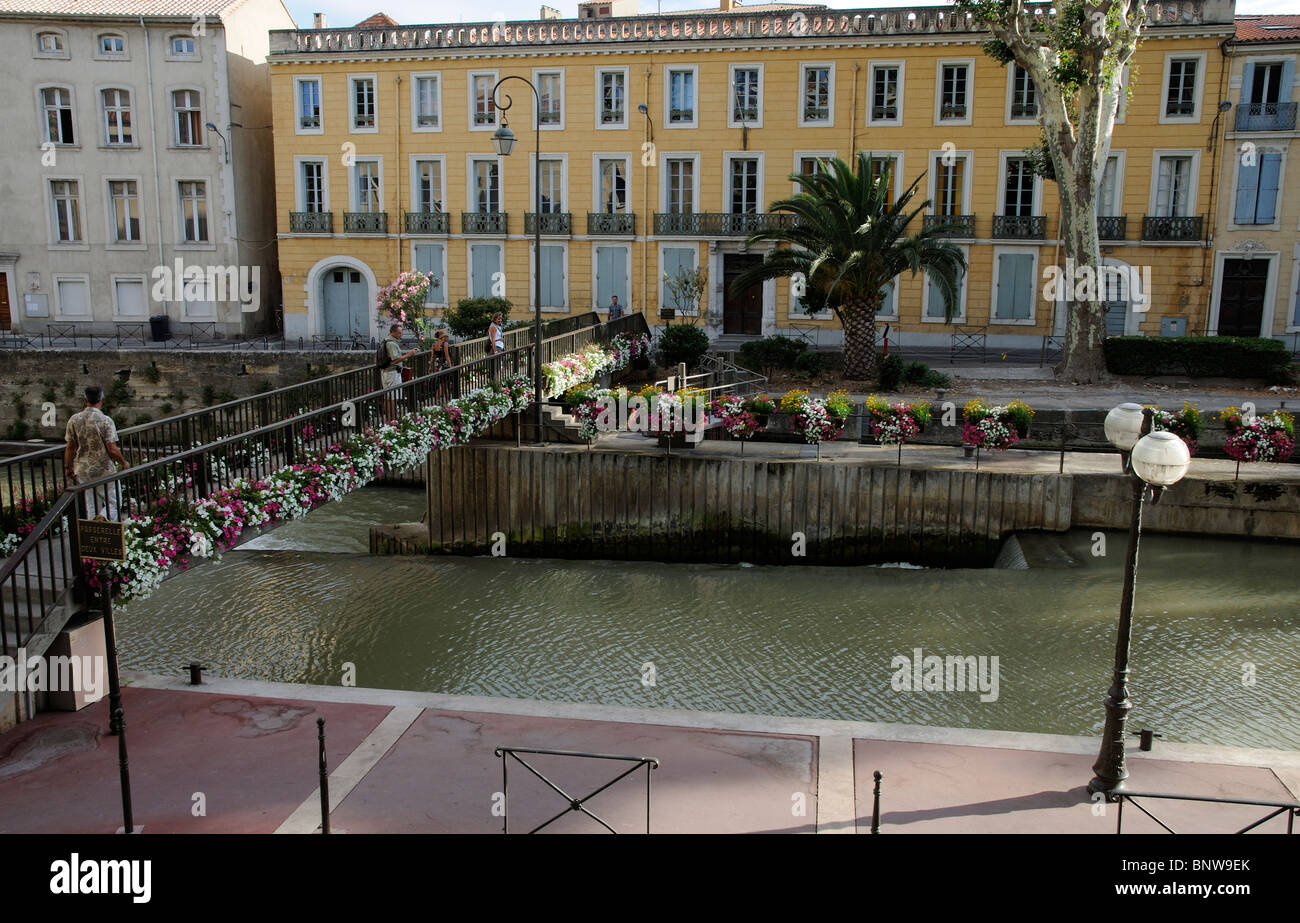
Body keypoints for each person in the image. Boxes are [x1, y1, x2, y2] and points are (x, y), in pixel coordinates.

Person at [64, 385, 129, 520]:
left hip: (83, 469)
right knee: (114, 501)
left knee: (91, 503)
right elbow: (112, 449)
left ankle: (93, 534)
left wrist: (68, 467)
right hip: (103, 469)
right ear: (102, 400)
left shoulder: (74, 420)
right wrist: (123, 462)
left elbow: (70, 447)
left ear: (85, 400)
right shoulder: (105, 421)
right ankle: (104, 521)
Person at [378, 323, 419, 415]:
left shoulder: (386, 341)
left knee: (388, 397)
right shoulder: (392, 344)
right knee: (393, 398)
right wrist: (409, 354)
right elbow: (395, 360)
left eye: (401, 333)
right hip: (392, 373)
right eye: (399, 333)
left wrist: (404, 357)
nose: (401, 335)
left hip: (386, 372)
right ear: (392, 332)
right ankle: (393, 419)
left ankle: (389, 419)